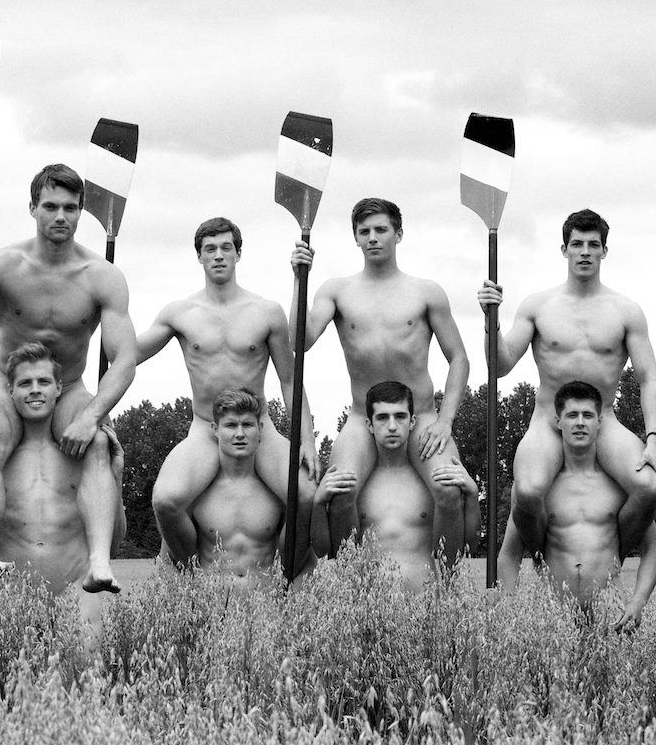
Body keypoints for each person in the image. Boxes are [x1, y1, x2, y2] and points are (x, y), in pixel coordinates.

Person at [0, 164, 131, 592]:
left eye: (71, 208)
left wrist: (91, 416)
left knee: (98, 441)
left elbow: (125, 361)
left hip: (69, 387)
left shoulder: (102, 277)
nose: (61, 216)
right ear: (32, 208)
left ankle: (99, 561)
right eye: (51, 206)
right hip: (9, 385)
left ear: (81, 212)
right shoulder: (4, 264)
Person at [476, 209, 656, 581]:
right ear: (564, 249)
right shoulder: (538, 306)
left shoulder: (626, 311)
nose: (585, 252)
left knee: (649, 487)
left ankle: (611, 557)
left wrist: (654, 439)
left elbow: (649, 378)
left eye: (593, 245)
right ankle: (545, 558)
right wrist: (490, 320)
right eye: (577, 244)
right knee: (528, 491)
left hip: (603, 418)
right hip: (548, 420)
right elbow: (500, 365)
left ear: (604, 251)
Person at [291, 197, 471, 554]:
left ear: (398, 234)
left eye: (381, 230)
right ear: (356, 238)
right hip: (363, 417)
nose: (372, 238)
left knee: (449, 490)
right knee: (340, 492)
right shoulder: (337, 291)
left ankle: (447, 579)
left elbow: (459, 358)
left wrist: (446, 421)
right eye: (364, 231)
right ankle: (353, 577)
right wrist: (299, 280)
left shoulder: (426, 292)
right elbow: (301, 341)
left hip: (422, 417)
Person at [136, 217, 317, 556]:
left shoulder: (266, 312)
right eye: (210, 249)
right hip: (205, 427)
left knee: (306, 495)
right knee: (165, 499)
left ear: (238, 254)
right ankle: (190, 571)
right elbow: (128, 355)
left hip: (258, 426)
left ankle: (287, 572)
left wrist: (306, 439)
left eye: (225, 248)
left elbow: (290, 379)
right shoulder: (179, 313)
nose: (218, 255)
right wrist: (103, 311)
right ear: (199, 256)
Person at [0, 344, 127, 626]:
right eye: (25, 383)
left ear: (58, 388)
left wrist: (117, 478)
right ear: (10, 390)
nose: (35, 390)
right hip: (13, 600)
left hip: (77, 597)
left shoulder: (82, 462)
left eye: (43, 382)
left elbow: (114, 543)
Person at [312, 380, 478, 591]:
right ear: (369, 425)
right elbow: (324, 551)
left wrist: (472, 495)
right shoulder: (355, 484)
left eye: (400, 416)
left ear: (412, 421)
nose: (392, 426)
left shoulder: (430, 482)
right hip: (368, 604)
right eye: (382, 417)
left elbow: (469, 547)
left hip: (424, 602)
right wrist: (318, 504)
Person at [532, 381, 656, 631]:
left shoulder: (620, 486)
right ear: (558, 422)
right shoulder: (540, 487)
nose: (580, 422)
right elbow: (509, 554)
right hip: (555, 617)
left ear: (599, 422)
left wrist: (638, 601)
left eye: (588, 415)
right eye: (572, 415)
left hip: (610, 612)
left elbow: (652, 550)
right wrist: (507, 612)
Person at [178, 389, 311, 585]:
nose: (240, 434)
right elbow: (171, 561)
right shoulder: (196, 493)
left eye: (247, 425)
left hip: (267, 601)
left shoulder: (277, 493)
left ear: (260, 428)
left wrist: (290, 601)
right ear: (215, 429)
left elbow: (303, 563)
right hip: (211, 602)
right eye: (231, 425)